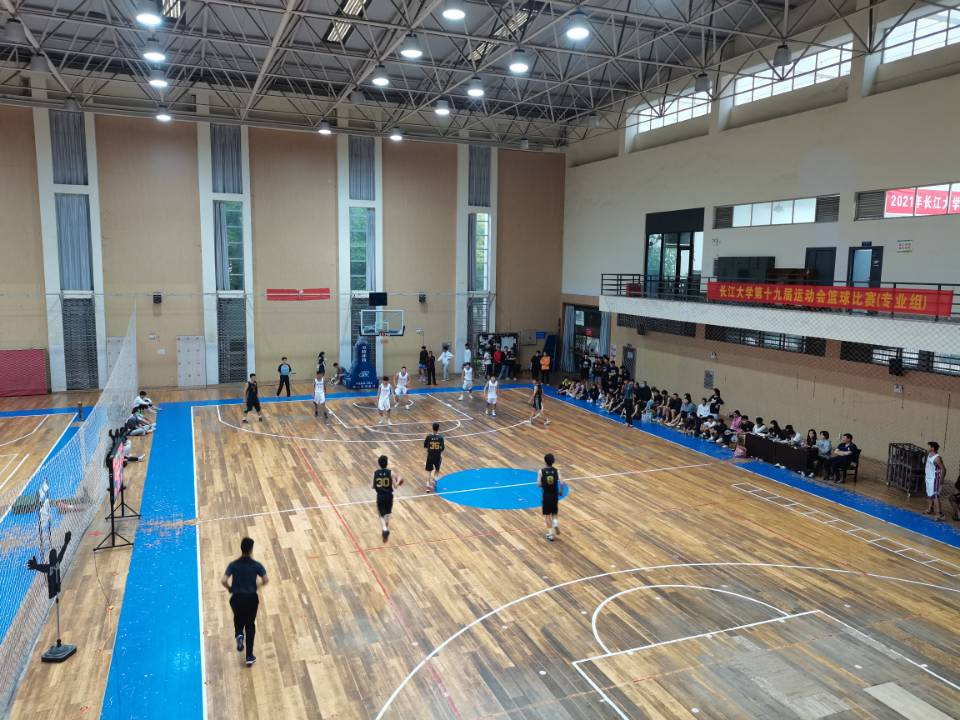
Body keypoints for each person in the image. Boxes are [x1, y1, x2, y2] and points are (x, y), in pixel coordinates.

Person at [221, 537, 267, 667]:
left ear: (241, 549)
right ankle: (249, 656)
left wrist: (230, 588)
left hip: (237, 598)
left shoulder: (233, 565)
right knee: (250, 625)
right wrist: (257, 586)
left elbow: (223, 580)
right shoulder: (257, 565)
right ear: (251, 550)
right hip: (251, 598)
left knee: (238, 618)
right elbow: (266, 580)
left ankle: (239, 634)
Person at [373, 455, 403, 542]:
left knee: (380, 514)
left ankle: (385, 529)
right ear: (386, 463)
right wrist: (399, 480)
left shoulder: (375, 473)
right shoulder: (391, 473)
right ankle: (385, 529)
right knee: (387, 514)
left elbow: (372, 486)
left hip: (380, 496)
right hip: (389, 496)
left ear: (379, 464)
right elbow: (396, 486)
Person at [538, 453, 565, 542]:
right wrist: (561, 491)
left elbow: (538, 484)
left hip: (546, 495)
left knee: (547, 515)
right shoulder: (557, 471)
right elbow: (562, 483)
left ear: (545, 461)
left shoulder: (541, 471)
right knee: (554, 512)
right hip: (554, 495)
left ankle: (550, 534)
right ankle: (555, 523)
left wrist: (544, 483)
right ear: (553, 461)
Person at [924, 441, 946, 521]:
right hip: (928, 478)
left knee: (935, 496)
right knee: (929, 495)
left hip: (935, 479)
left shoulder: (937, 458)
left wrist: (941, 479)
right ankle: (930, 509)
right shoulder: (929, 454)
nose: (928, 448)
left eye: (929, 446)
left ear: (932, 448)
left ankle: (940, 514)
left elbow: (943, 469)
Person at [423, 422, 445, 492]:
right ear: (438, 429)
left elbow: (425, 446)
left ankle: (427, 485)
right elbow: (442, 448)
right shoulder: (441, 438)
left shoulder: (429, 437)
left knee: (429, 471)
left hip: (430, 456)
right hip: (437, 456)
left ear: (432, 428)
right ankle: (434, 481)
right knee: (437, 470)